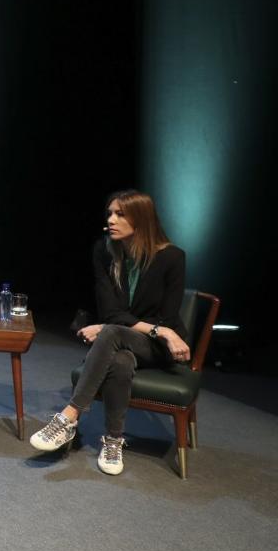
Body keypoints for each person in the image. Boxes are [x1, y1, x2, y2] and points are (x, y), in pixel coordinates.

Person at [29, 189, 190, 475]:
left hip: (158, 346)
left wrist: (164, 332)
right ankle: (114, 439)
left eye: (120, 214)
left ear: (141, 219)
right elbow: (110, 312)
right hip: (128, 339)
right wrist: (119, 326)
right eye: (110, 213)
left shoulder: (172, 258)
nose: (111, 220)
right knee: (120, 361)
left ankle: (69, 416)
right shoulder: (104, 251)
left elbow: (165, 317)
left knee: (113, 333)